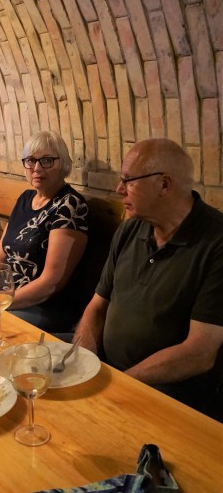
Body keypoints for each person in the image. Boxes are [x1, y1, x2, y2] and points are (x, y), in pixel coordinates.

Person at [75, 138, 223, 420]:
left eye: (128, 180)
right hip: (107, 369)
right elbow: (97, 306)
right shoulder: (130, 229)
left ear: (164, 185)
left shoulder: (215, 243)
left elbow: (200, 353)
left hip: (169, 390)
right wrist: (83, 364)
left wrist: (120, 383)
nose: (119, 189)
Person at [0, 131, 88, 332]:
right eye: (31, 161)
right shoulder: (25, 198)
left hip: (45, 306)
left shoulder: (69, 205)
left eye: (47, 161)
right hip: (7, 297)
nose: (37, 168)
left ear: (63, 163)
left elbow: (51, 283)